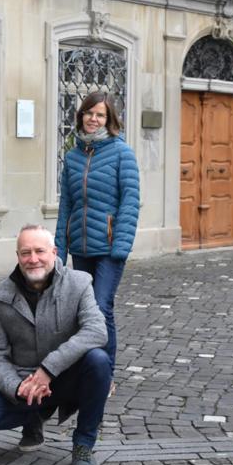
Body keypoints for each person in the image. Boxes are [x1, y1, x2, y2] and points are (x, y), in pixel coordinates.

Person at [0, 224, 112, 465]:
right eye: (25, 253)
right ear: (18, 257)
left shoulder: (78, 283)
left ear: (54, 252)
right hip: (23, 381)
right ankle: (33, 415)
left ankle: (84, 445)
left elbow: (97, 331)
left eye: (39, 251)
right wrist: (16, 387)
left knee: (99, 361)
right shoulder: (0, 295)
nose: (33, 259)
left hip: (66, 378)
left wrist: (48, 369)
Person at [55, 91, 140, 373]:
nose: (94, 119)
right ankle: (88, 368)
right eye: (89, 113)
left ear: (109, 119)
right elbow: (66, 204)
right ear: (81, 115)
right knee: (84, 312)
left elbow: (130, 200)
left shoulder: (122, 153)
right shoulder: (73, 156)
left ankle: (106, 373)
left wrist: (120, 246)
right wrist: (59, 249)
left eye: (100, 114)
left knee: (102, 308)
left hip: (109, 247)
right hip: (81, 246)